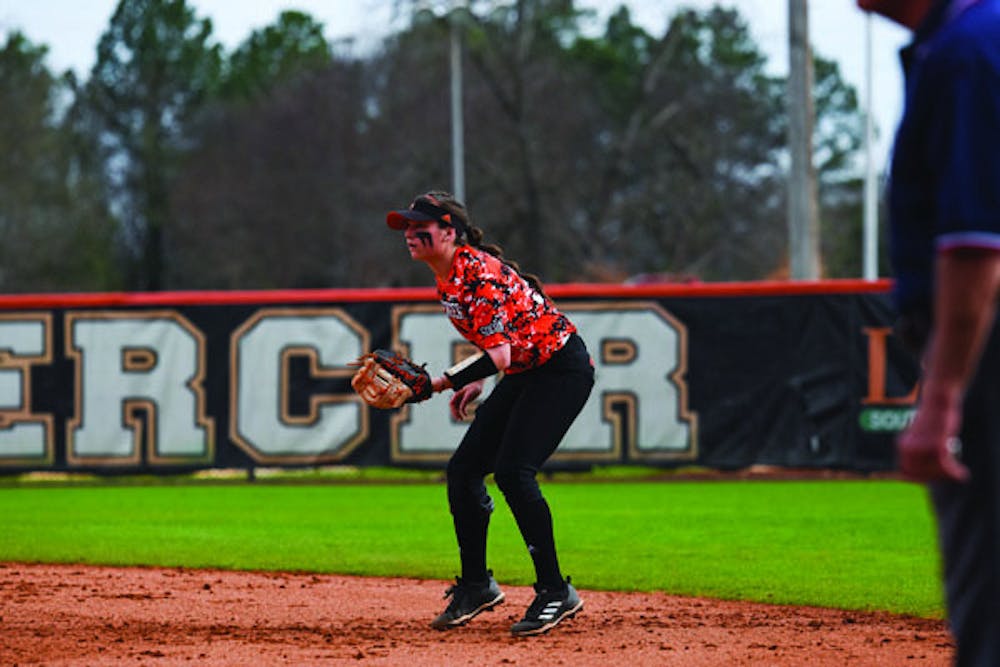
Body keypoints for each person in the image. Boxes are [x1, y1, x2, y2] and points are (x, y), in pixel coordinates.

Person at [858, 0, 1000, 664]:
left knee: (989, 593)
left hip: (987, 356)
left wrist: (942, 393)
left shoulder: (966, 53)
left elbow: (975, 246)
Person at [384, 191, 595, 637]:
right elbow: (499, 345)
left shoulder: (475, 271)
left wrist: (440, 382)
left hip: (560, 370)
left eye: (419, 227)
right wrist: (476, 378)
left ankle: (556, 591)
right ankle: (477, 585)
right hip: (526, 369)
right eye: (405, 227)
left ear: (449, 232)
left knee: (515, 472)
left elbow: (499, 354)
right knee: (463, 471)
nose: (409, 234)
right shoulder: (448, 276)